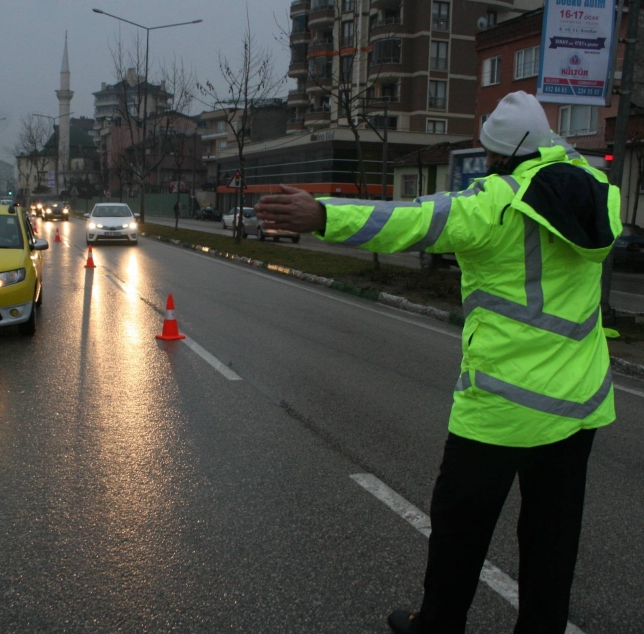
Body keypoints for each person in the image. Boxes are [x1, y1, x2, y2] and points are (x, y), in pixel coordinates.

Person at [254, 91, 621, 634]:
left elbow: (410, 220)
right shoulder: (597, 192)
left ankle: (438, 626)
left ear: (494, 155)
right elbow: (562, 158)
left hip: (502, 407)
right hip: (578, 406)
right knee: (552, 539)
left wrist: (324, 213)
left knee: (459, 529)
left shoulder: (490, 206)